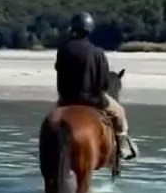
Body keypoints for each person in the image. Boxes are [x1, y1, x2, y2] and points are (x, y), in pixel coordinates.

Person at [54, 11, 136, 160]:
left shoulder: (63, 50)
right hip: (92, 100)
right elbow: (104, 83)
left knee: (52, 122)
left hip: (66, 100)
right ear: (89, 30)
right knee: (119, 113)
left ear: (73, 28)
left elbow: (59, 72)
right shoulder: (97, 52)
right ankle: (122, 145)